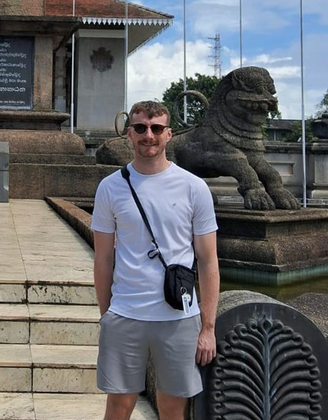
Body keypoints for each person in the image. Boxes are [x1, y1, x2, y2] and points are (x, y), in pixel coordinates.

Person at [92, 101, 219, 420]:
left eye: (156, 128)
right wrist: (106, 313)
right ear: (128, 134)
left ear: (169, 134)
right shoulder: (110, 188)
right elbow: (104, 258)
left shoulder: (194, 188)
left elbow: (207, 261)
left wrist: (208, 327)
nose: (148, 135)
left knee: (173, 408)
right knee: (118, 406)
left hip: (178, 315)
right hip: (126, 312)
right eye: (140, 128)